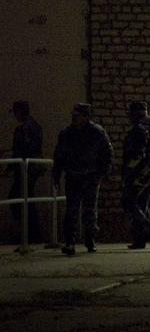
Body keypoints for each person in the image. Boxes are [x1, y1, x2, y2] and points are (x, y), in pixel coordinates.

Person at [51, 103, 113, 255]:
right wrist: (56, 173)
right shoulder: (67, 133)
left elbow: (107, 152)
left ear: (86, 117)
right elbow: (59, 154)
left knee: (90, 209)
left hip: (90, 176)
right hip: (73, 176)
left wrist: (102, 173)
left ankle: (90, 238)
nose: (74, 117)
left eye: (77, 115)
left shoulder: (96, 132)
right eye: (74, 115)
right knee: (71, 210)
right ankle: (70, 241)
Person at [121, 101, 150, 249]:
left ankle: (146, 227)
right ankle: (140, 239)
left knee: (128, 202)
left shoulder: (139, 130)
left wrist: (128, 172)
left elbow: (137, 155)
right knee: (142, 205)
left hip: (139, 175)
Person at [7, 100, 44, 244]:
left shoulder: (25, 128)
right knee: (26, 201)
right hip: (28, 170)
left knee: (19, 201)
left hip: (26, 170)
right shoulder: (33, 126)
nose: (15, 115)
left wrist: (12, 164)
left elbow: (24, 149)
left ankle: (29, 235)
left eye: (16, 112)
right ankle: (31, 235)